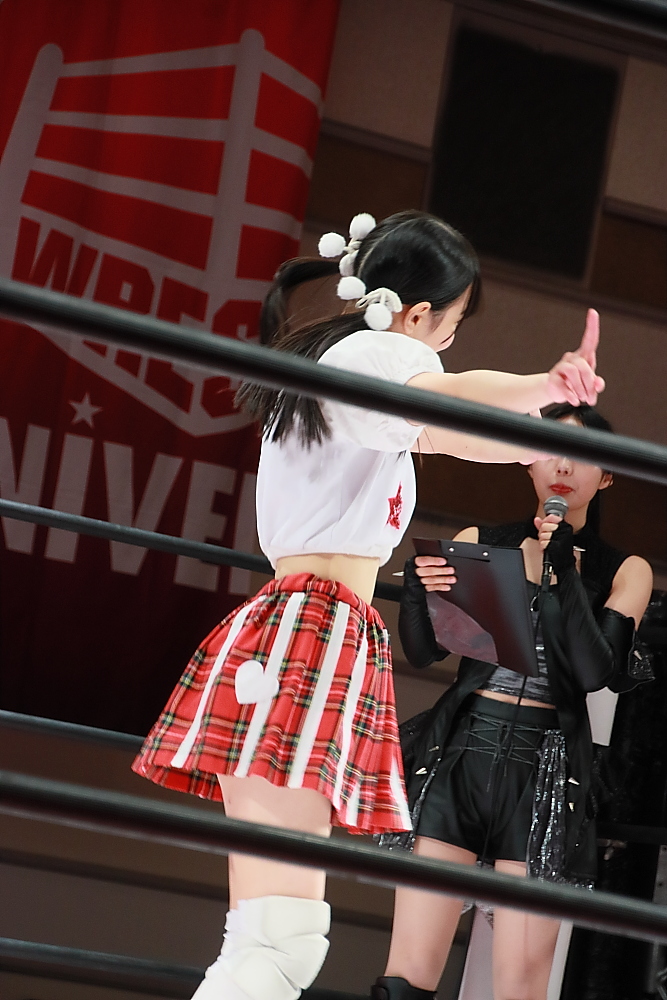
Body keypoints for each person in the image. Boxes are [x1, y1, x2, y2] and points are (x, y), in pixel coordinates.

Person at [132, 209, 605, 1000]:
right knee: (278, 943)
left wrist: (542, 423)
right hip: (314, 625)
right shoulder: (374, 353)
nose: (448, 339)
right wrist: (541, 389)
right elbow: (452, 400)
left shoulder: (346, 369)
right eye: (452, 322)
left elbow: (450, 431)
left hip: (293, 625)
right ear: (416, 315)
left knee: (268, 938)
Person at [373, 402, 654, 1000]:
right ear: (527, 460)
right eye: (549, 449)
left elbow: (595, 672)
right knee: (406, 976)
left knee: (519, 988)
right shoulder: (482, 542)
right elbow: (424, 651)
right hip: (463, 751)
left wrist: (564, 572)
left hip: (546, 768)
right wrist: (417, 589)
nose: (563, 467)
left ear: (607, 476)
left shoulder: (626, 570)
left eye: (583, 457)